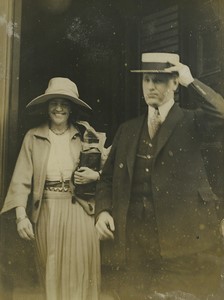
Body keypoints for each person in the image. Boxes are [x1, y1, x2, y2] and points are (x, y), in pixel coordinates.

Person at [95, 53, 224, 300]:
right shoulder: (128, 129)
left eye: (159, 80)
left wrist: (191, 81)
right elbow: (107, 178)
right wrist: (102, 211)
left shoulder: (194, 120)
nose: (151, 86)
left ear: (175, 83)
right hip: (134, 245)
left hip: (181, 245)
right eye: (146, 80)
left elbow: (221, 112)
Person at [1, 77, 103, 300]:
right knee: (51, 270)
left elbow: (109, 170)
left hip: (81, 210)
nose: (59, 108)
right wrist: (21, 217)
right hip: (47, 211)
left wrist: (95, 175)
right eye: (54, 103)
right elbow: (21, 179)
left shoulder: (86, 135)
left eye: (64, 103)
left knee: (80, 270)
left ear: (72, 108)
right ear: (47, 108)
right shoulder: (33, 137)